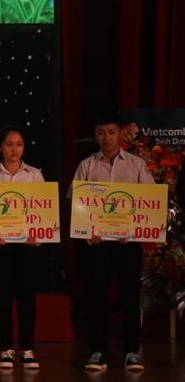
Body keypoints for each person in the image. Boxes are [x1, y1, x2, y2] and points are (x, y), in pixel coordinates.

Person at [73, 114, 155, 373]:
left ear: (121, 134)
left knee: (130, 297)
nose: (106, 137)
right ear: (95, 135)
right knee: (96, 297)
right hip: (97, 244)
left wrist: (133, 229)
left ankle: (132, 351)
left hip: (127, 244)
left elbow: (150, 201)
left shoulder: (137, 165)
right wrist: (86, 230)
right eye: (101, 132)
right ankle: (98, 351)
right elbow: (76, 202)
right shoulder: (86, 165)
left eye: (111, 132)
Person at [0, 126, 47, 372]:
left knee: (27, 298)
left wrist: (37, 235)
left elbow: (43, 210)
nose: (14, 149)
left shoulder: (34, 175)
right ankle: (5, 349)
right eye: (9, 144)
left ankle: (27, 349)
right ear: (0, 147)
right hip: (1, 247)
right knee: (3, 298)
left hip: (27, 247)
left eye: (19, 144)